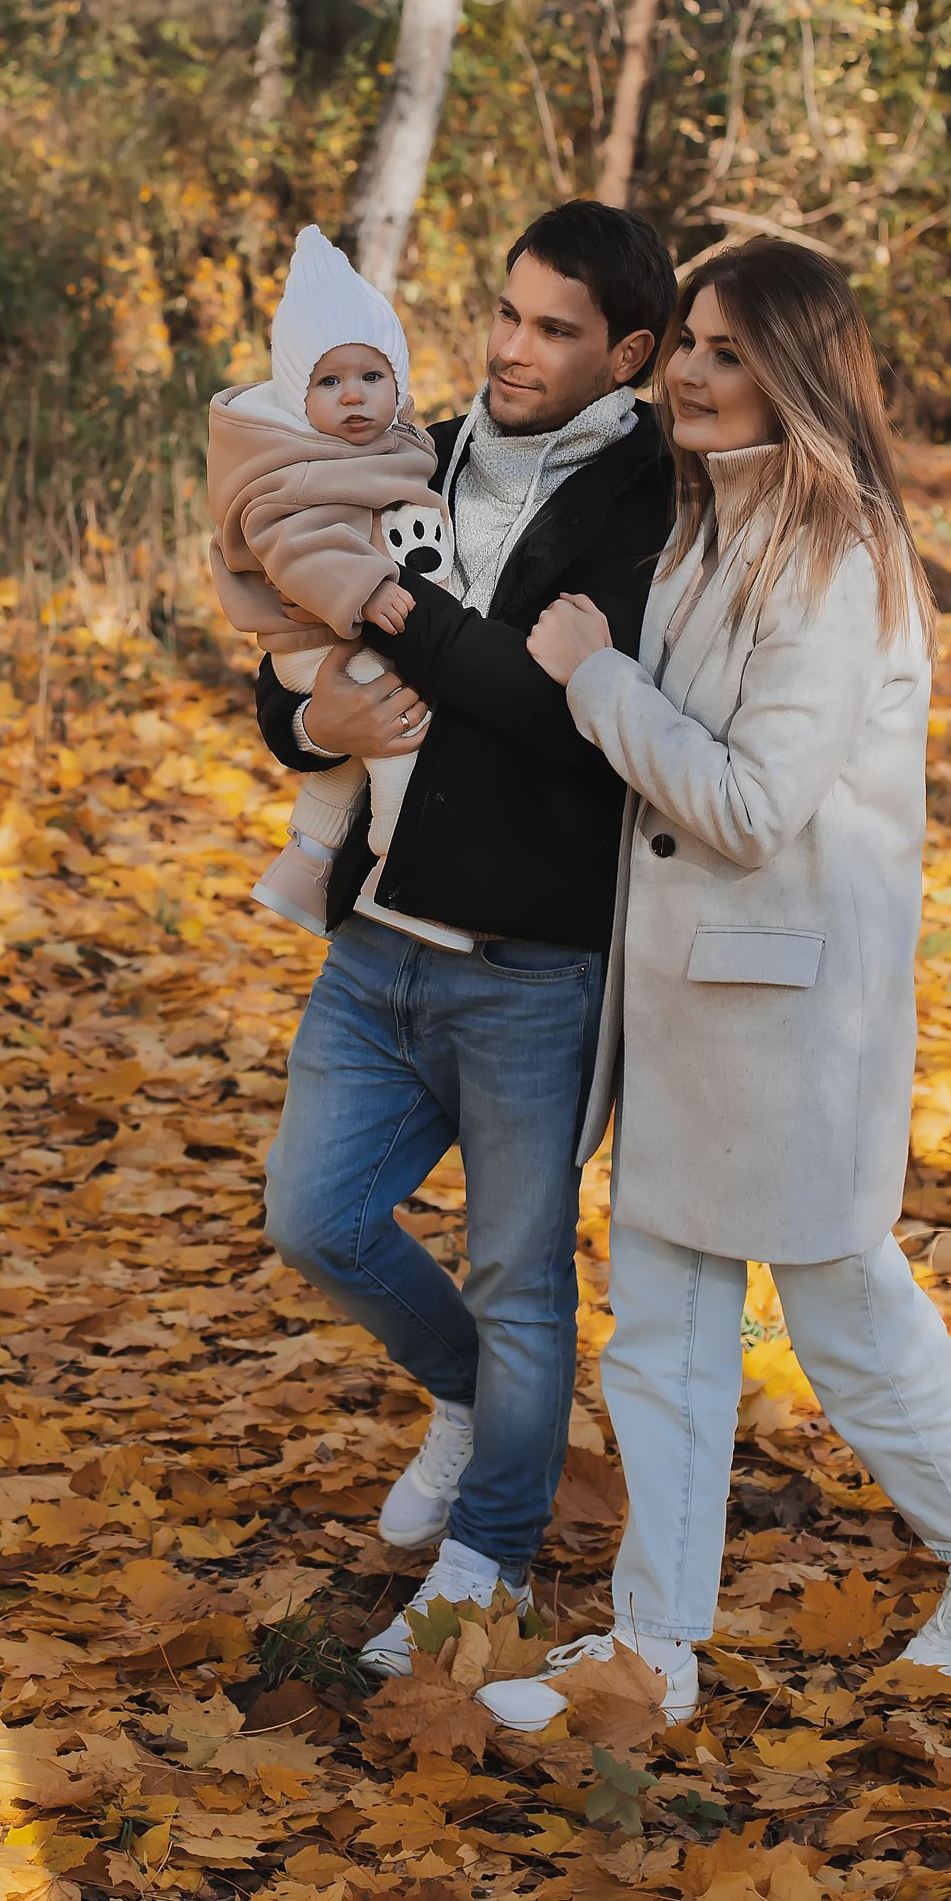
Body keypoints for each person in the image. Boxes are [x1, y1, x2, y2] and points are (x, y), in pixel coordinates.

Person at [481, 239, 951, 1733]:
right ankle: (653, 1648)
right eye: (686, 342)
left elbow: (748, 805)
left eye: (730, 351)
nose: (688, 369)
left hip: (793, 1020)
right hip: (689, 1005)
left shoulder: (841, 555)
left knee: (847, 1317)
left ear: (800, 371)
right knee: (665, 1343)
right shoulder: (713, 524)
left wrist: (594, 678)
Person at [255, 202, 679, 1674]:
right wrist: (312, 715)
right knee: (312, 1220)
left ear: (627, 353)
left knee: (520, 1278)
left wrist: (393, 608)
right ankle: (461, 1398)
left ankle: (488, 1560)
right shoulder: (406, 450)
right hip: (375, 944)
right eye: (505, 314)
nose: (511, 348)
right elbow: (283, 632)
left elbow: (567, 716)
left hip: (534, 968)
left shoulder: (652, 505)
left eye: (555, 329)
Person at [208, 227, 445, 937]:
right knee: (401, 728)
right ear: (296, 395)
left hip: (323, 634)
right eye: (329, 382)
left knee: (349, 759)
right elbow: (295, 541)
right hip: (321, 629)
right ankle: (402, 873)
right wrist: (365, 587)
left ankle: (307, 861)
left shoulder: (383, 449)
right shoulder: (299, 468)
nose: (353, 399)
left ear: (398, 385)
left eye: (372, 378)